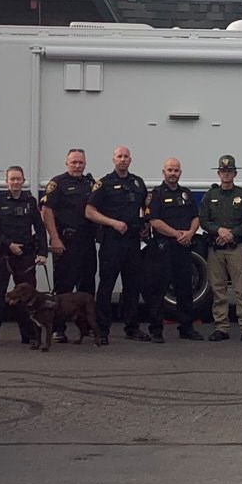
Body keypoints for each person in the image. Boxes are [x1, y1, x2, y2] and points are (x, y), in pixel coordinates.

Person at [87, 145, 151, 343]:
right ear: (113, 159)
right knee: (107, 286)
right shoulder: (103, 184)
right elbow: (90, 212)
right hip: (111, 242)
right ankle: (102, 330)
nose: (123, 159)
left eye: (126, 157)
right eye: (119, 156)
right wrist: (112, 223)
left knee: (133, 286)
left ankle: (132, 328)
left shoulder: (138, 183)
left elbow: (146, 209)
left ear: (130, 160)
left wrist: (145, 226)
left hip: (132, 242)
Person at [0, 166, 42, 347]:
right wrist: (9, 244)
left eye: (18, 179)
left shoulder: (30, 202)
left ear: (23, 181)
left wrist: (43, 253)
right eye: (12, 179)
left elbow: (39, 228)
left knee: (27, 297)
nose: (15, 182)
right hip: (2, 255)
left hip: (25, 256)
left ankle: (29, 335)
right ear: (6, 181)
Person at [41, 148, 98, 342]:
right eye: (73, 162)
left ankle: (86, 328)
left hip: (87, 241)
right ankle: (58, 328)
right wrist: (55, 238)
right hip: (66, 241)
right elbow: (47, 211)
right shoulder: (58, 183)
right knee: (63, 287)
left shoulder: (91, 183)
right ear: (67, 163)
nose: (77, 166)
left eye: (80, 162)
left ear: (85, 164)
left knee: (87, 286)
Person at [144, 157, 203, 341]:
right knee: (158, 290)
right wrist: (178, 235)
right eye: (170, 170)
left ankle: (186, 327)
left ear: (180, 173)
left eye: (176, 170)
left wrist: (190, 233)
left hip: (183, 248)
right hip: (163, 248)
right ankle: (156, 330)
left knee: (185, 289)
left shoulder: (185, 193)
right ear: (164, 172)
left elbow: (196, 216)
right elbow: (154, 221)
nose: (173, 173)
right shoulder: (156, 194)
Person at [199, 155, 242, 342]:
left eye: (229, 171)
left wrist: (232, 234)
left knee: (241, 290)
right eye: (223, 171)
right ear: (218, 173)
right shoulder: (210, 196)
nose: (226, 174)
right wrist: (219, 231)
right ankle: (221, 327)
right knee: (218, 290)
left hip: (235, 248)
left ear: (235, 174)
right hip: (215, 249)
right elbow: (204, 221)